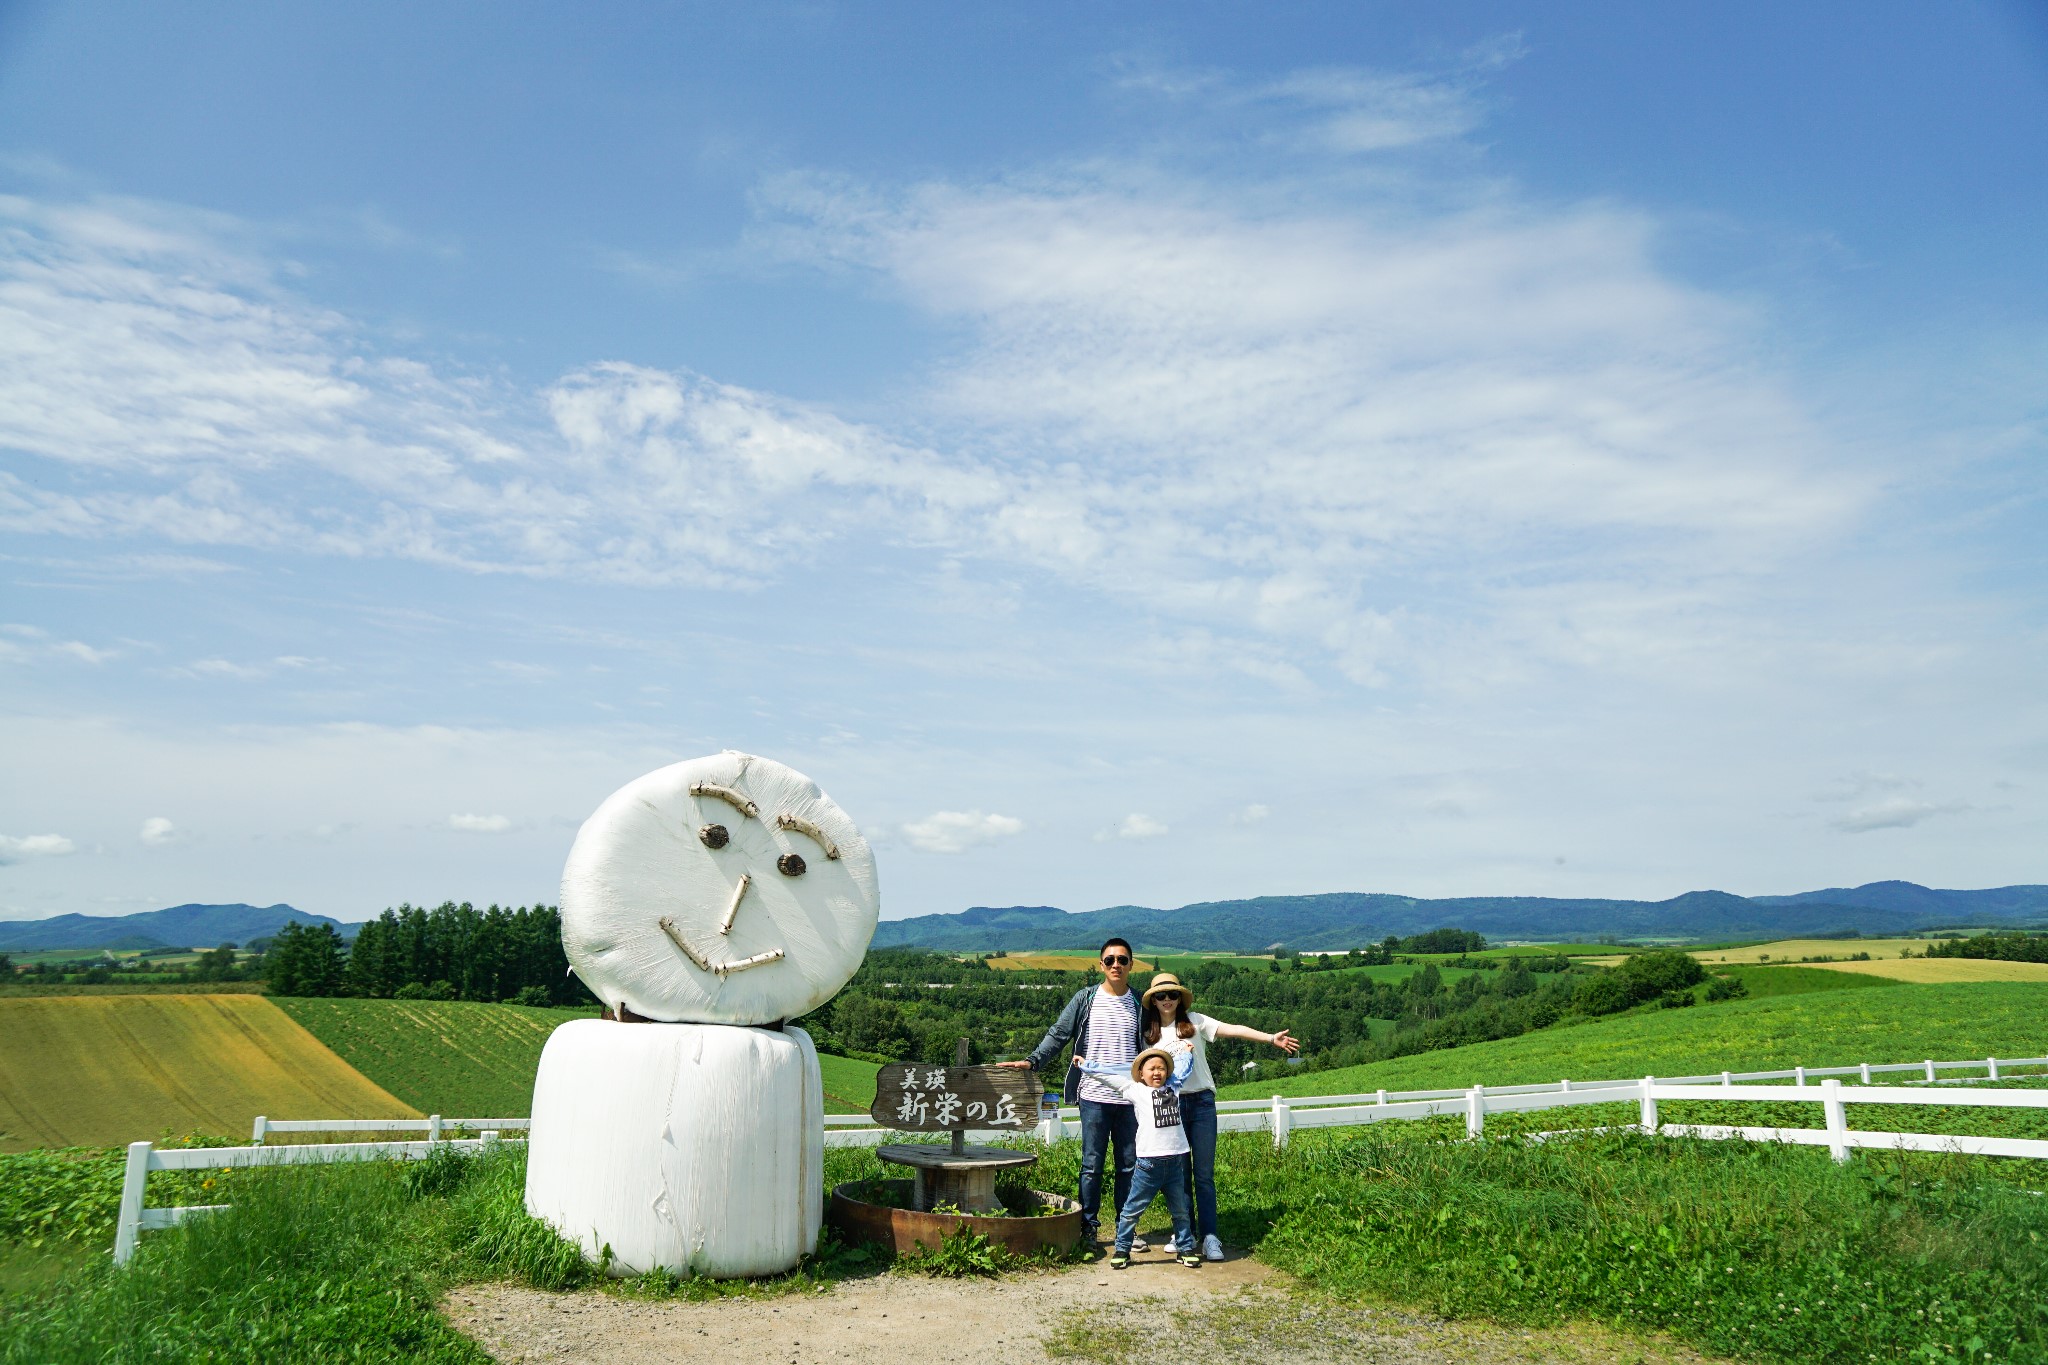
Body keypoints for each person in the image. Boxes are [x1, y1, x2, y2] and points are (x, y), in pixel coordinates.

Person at [1137, 970, 1301, 1261]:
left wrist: (1270, 1038)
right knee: (1179, 1175)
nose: (1167, 1000)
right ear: (1152, 1000)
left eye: (1172, 994)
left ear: (1180, 998)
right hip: (1170, 1107)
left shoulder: (1195, 1021)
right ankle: (1185, 1233)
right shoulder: (1149, 1035)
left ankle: (1211, 1236)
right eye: (1161, 995)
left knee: (1203, 1174)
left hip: (1201, 1104)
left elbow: (1233, 1029)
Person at [999, 938, 1144, 1251]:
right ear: (1100, 965)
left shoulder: (1140, 1003)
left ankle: (1125, 1229)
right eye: (1109, 960)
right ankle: (1088, 1228)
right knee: (1092, 1164)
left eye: (1122, 959)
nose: (1116, 965)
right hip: (1092, 1096)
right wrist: (1032, 1061)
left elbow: (1157, 1044)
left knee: (1128, 1165)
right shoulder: (1086, 998)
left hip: (1131, 1098)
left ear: (1131, 964)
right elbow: (1059, 1034)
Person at [1077, 1047, 1201, 1269]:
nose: (1157, 1073)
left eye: (1161, 1068)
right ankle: (1122, 1250)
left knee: (1181, 1210)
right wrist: (1087, 1065)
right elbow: (1109, 1076)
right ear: (1141, 1073)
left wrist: (1186, 1054)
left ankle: (1185, 1249)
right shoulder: (1135, 1090)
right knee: (1131, 1210)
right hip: (1147, 1165)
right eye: (1151, 1069)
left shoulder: (1174, 1086)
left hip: (1175, 1163)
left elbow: (1182, 1069)